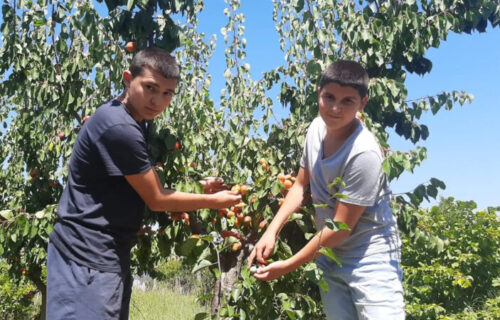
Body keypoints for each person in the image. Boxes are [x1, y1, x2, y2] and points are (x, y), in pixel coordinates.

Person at [46, 47, 242, 320]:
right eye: (150, 87)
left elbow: (140, 182)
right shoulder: (121, 128)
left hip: (102, 256)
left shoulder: (133, 118)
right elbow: (157, 199)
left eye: (167, 93)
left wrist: (197, 187)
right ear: (128, 78)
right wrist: (214, 201)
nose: (157, 101)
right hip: (87, 258)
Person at [248, 60, 405, 319]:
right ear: (318, 92)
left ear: (362, 103)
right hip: (329, 257)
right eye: (329, 97)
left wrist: (287, 265)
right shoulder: (315, 129)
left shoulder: (363, 153)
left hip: (370, 261)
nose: (335, 108)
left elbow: (339, 229)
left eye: (347, 101)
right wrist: (271, 231)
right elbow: (299, 186)